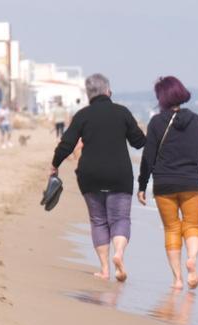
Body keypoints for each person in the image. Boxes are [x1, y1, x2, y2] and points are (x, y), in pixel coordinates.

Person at [51, 73, 146, 282]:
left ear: (88, 95)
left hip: (90, 175)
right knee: (120, 218)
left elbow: (66, 144)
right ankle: (119, 254)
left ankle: (104, 270)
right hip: (119, 174)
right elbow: (139, 142)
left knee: (98, 221)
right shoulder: (122, 112)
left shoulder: (83, 115)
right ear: (108, 91)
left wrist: (54, 165)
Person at [136, 75, 198, 290]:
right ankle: (192, 259)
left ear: (162, 97)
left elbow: (148, 157)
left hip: (164, 184)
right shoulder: (196, 120)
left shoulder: (156, 122)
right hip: (192, 183)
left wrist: (142, 185)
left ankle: (177, 280)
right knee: (192, 226)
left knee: (172, 229)